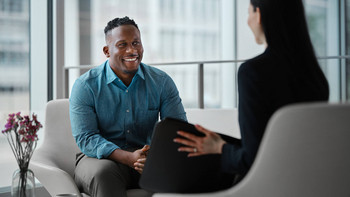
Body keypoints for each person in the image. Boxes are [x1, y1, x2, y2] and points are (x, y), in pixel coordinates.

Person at [174, 0, 329, 189]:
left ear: (259, 14)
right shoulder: (316, 77)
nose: (248, 21)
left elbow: (253, 159)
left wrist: (219, 148)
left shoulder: (253, 73)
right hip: (314, 185)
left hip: (268, 186)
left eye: (249, 13)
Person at [69, 16, 187, 197]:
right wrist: (128, 158)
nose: (132, 50)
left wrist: (155, 156)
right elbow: (86, 137)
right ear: (107, 51)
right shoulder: (85, 86)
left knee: (181, 173)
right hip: (99, 159)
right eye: (122, 44)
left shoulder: (162, 82)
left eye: (136, 43)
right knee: (104, 174)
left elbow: (177, 130)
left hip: (146, 158)